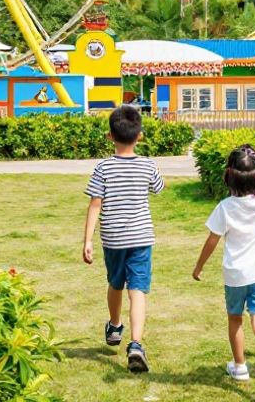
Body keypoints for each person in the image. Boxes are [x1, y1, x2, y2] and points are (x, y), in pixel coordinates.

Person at [193, 122, 255, 402]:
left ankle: (240, 367)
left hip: (235, 276)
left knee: (235, 319)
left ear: (229, 177)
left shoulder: (225, 208)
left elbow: (212, 241)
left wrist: (198, 268)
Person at [82, 104, 166, 372]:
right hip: (141, 236)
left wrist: (87, 241)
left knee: (115, 283)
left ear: (110, 136)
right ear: (139, 135)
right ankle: (137, 344)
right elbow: (159, 187)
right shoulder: (147, 165)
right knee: (138, 289)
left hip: (113, 238)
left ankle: (115, 326)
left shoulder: (103, 167)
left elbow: (95, 204)